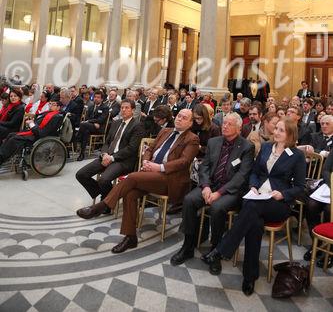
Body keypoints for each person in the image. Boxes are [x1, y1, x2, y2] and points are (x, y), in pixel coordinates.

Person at [203, 117, 306, 296]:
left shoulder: (296, 155)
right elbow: (255, 173)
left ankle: (222, 249)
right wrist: (252, 186)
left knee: (250, 209)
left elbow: (300, 186)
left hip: (278, 203)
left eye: (282, 130)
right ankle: (250, 276)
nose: (277, 132)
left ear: (290, 135)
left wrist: (283, 194)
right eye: (276, 129)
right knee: (254, 223)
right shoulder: (266, 148)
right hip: (257, 197)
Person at [76, 109, 200, 253]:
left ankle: (101, 206)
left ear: (190, 123)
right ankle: (131, 238)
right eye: (179, 116)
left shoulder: (192, 139)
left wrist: (159, 167)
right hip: (150, 174)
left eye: (184, 118)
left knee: (133, 177)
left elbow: (184, 162)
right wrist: (146, 161)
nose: (179, 119)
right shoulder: (165, 131)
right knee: (130, 194)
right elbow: (150, 148)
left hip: (170, 179)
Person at [170, 113, 254, 269]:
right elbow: (205, 166)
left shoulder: (246, 147)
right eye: (224, 123)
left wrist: (219, 193)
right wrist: (206, 186)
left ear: (238, 127)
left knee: (217, 208)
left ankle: (216, 250)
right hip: (211, 185)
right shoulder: (214, 142)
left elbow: (242, 176)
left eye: (229, 124)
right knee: (189, 200)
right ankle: (188, 246)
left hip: (230, 191)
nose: (225, 126)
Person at [76, 99, 145, 202]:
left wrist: (112, 158)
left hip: (123, 161)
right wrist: (104, 154)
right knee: (81, 174)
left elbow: (132, 148)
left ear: (133, 110)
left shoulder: (137, 125)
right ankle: (109, 195)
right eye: (122, 108)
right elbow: (107, 142)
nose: (124, 110)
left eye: (127, 108)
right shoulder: (116, 123)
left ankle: (106, 201)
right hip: (107, 156)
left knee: (103, 180)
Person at [0, 97, 63, 165]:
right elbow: (38, 122)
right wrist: (32, 121)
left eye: (53, 104)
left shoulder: (56, 117)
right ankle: (1, 155)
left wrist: (31, 124)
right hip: (34, 131)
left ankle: (2, 158)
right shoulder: (48, 113)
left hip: (39, 136)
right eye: (50, 104)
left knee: (14, 139)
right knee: (11, 135)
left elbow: (42, 133)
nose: (50, 106)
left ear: (58, 107)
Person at [304, 147, 333, 268]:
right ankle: (317, 243)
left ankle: (330, 249)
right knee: (311, 204)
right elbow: (326, 169)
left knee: (329, 210)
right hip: (330, 185)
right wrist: (331, 184)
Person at [76, 90, 109, 161]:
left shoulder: (105, 107)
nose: (96, 98)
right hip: (91, 126)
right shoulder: (91, 106)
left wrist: (90, 121)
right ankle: (82, 154)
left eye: (98, 97)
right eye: (95, 97)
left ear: (102, 99)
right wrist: (92, 122)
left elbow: (101, 120)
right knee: (85, 132)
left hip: (99, 128)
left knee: (82, 124)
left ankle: (77, 139)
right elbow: (87, 117)